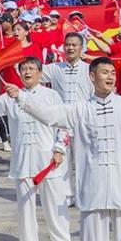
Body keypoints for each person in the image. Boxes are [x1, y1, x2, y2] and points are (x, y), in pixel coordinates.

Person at [14, 57, 121, 241]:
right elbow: (50, 115)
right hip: (92, 184)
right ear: (92, 76)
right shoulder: (80, 109)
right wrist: (22, 99)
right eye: (105, 72)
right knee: (92, 237)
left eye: (113, 73)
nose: (110, 77)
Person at [0, 57, 71, 241]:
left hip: (48, 161)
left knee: (56, 208)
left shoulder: (52, 96)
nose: (27, 72)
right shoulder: (10, 96)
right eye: (24, 69)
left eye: (32, 68)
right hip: (23, 161)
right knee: (25, 210)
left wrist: (59, 149)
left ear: (40, 73)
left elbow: (64, 125)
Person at [41, 32, 94, 204]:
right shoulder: (56, 68)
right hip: (62, 123)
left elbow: (95, 94)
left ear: (81, 48)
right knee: (62, 160)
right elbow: (34, 72)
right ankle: (67, 195)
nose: (70, 48)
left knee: (83, 161)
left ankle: (83, 194)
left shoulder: (89, 70)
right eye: (68, 45)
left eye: (74, 45)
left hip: (82, 122)